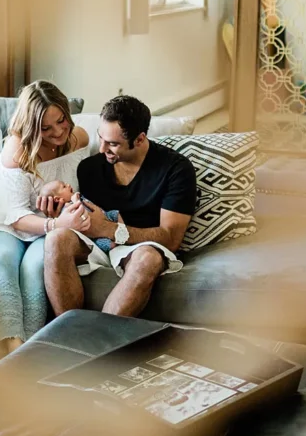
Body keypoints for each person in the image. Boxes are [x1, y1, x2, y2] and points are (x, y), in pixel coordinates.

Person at [44, 95, 196, 319]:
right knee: (56, 239)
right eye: (101, 138)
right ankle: (69, 332)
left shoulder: (176, 169)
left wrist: (109, 229)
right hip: (95, 243)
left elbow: (171, 238)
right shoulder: (89, 168)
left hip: (138, 246)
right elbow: (78, 210)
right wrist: (57, 209)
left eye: (113, 144)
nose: (102, 148)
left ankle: (100, 336)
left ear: (140, 139)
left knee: (148, 258)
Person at [0, 81, 91, 353]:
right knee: (1, 262)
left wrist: (62, 213)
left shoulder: (78, 139)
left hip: (51, 229)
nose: (58, 132)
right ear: (31, 127)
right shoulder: (18, 150)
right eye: (46, 128)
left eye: (61, 121)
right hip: (9, 225)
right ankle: (12, 346)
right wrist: (56, 223)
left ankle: (29, 350)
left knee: (35, 267)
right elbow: (14, 215)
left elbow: (81, 190)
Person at [37, 180, 120, 252]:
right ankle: (115, 244)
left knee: (116, 213)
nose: (68, 185)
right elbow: (78, 213)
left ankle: (120, 227)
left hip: (103, 216)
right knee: (106, 244)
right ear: (57, 199)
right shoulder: (66, 210)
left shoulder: (76, 198)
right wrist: (76, 200)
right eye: (64, 186)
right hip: (93, 235)